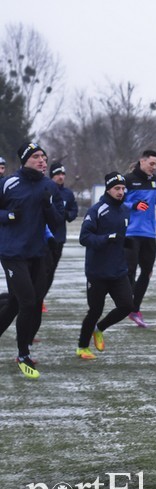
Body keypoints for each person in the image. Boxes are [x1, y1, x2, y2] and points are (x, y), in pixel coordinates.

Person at [0, 142, 63, 379]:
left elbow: (57, 222)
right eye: (37, 156)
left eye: (44, 157)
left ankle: (22, 350)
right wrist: (9, 215)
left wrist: (48, 205)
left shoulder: (49, 187)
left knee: (23, 303)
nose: (42, 161)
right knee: (26, 302)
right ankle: (23, 354)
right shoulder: (8, 183)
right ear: (25, 159)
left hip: (37, 254)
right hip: (12, 254)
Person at [76, 173, 134, 359]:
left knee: (127, 306)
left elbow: (118, 237)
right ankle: (82, 347)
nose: (120, 192)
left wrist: (125, 242)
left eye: (123, 188)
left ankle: (99, 329)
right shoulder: (96, 210)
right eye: (117, 188)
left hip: (118, 270)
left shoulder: (125, 210)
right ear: (108, 189)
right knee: (95, 310)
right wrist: (107, 239)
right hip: (97, 271)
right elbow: (84, 238)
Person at [124, 149, 156, 328]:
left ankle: (134, 308)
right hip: (130, 233)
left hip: (149, 233)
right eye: (151, 163)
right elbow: (118, 201)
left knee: (147, 271)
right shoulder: (128, 180)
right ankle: (126, 303)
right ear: (142, 161)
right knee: (129, 271)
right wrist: (133, 204)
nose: (154, 167)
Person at [43, 161, 79, 299]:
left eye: (63, 174)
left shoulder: (67, 194)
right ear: (51, 175)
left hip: (59, 238)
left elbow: (73, 211)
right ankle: (35, 296)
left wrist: (67, 215)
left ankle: (41, 298)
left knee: (51, 270)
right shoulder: (45, 190)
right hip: (44, 238)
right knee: (42, 269)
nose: (61, 177)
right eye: (58, 174)